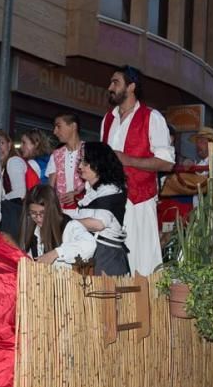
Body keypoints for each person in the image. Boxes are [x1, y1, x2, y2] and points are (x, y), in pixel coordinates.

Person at [101, 66, 174, 276]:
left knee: (142, 263)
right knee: (112, 263)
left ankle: (147, 307)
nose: (110, 87)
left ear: (131, 86)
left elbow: (167, 163)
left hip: (139, 201)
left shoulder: (152, 117)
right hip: (110, 202)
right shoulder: (107, 120)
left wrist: (128, 160)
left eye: (115, 82)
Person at [68, 141, 130, 276]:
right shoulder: (93, 191)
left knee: (104, 294)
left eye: (85, 163)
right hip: (94, 253)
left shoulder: (111, 190)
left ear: (98, 163)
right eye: (81, 162)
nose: (79, 166)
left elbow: (99, 224)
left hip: (106, 256)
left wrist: (65, 221)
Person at [19, 185, 95, 269]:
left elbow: (89, 244)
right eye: (33, 213)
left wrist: (56, 253)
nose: (38, 218)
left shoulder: (69, 226)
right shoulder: (32, 230)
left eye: (43, 213)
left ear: (52, 209)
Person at [47, 113, 85, 210]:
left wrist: (77, 194)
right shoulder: (56, 155)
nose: (55, 132)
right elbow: (50, 188)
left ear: (73, 126)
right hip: (61, 210)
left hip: (85, 208)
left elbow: (97, 181)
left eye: (58, 126)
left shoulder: (90, 151)